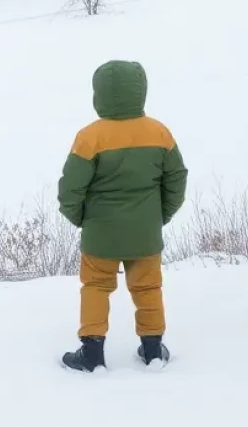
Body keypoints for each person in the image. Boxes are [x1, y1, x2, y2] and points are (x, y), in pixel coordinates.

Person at [57, 60, 187, 372]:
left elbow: (70, 189)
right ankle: (153, 350)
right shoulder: (160, 133)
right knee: (148, 288)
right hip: (145, 232)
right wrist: (159, 216)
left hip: (100, 233)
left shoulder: (89, 137)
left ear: (98, 94)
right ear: (140, 90)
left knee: (95, 287)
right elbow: (177, 180)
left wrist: (83, 219)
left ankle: (92, 353)